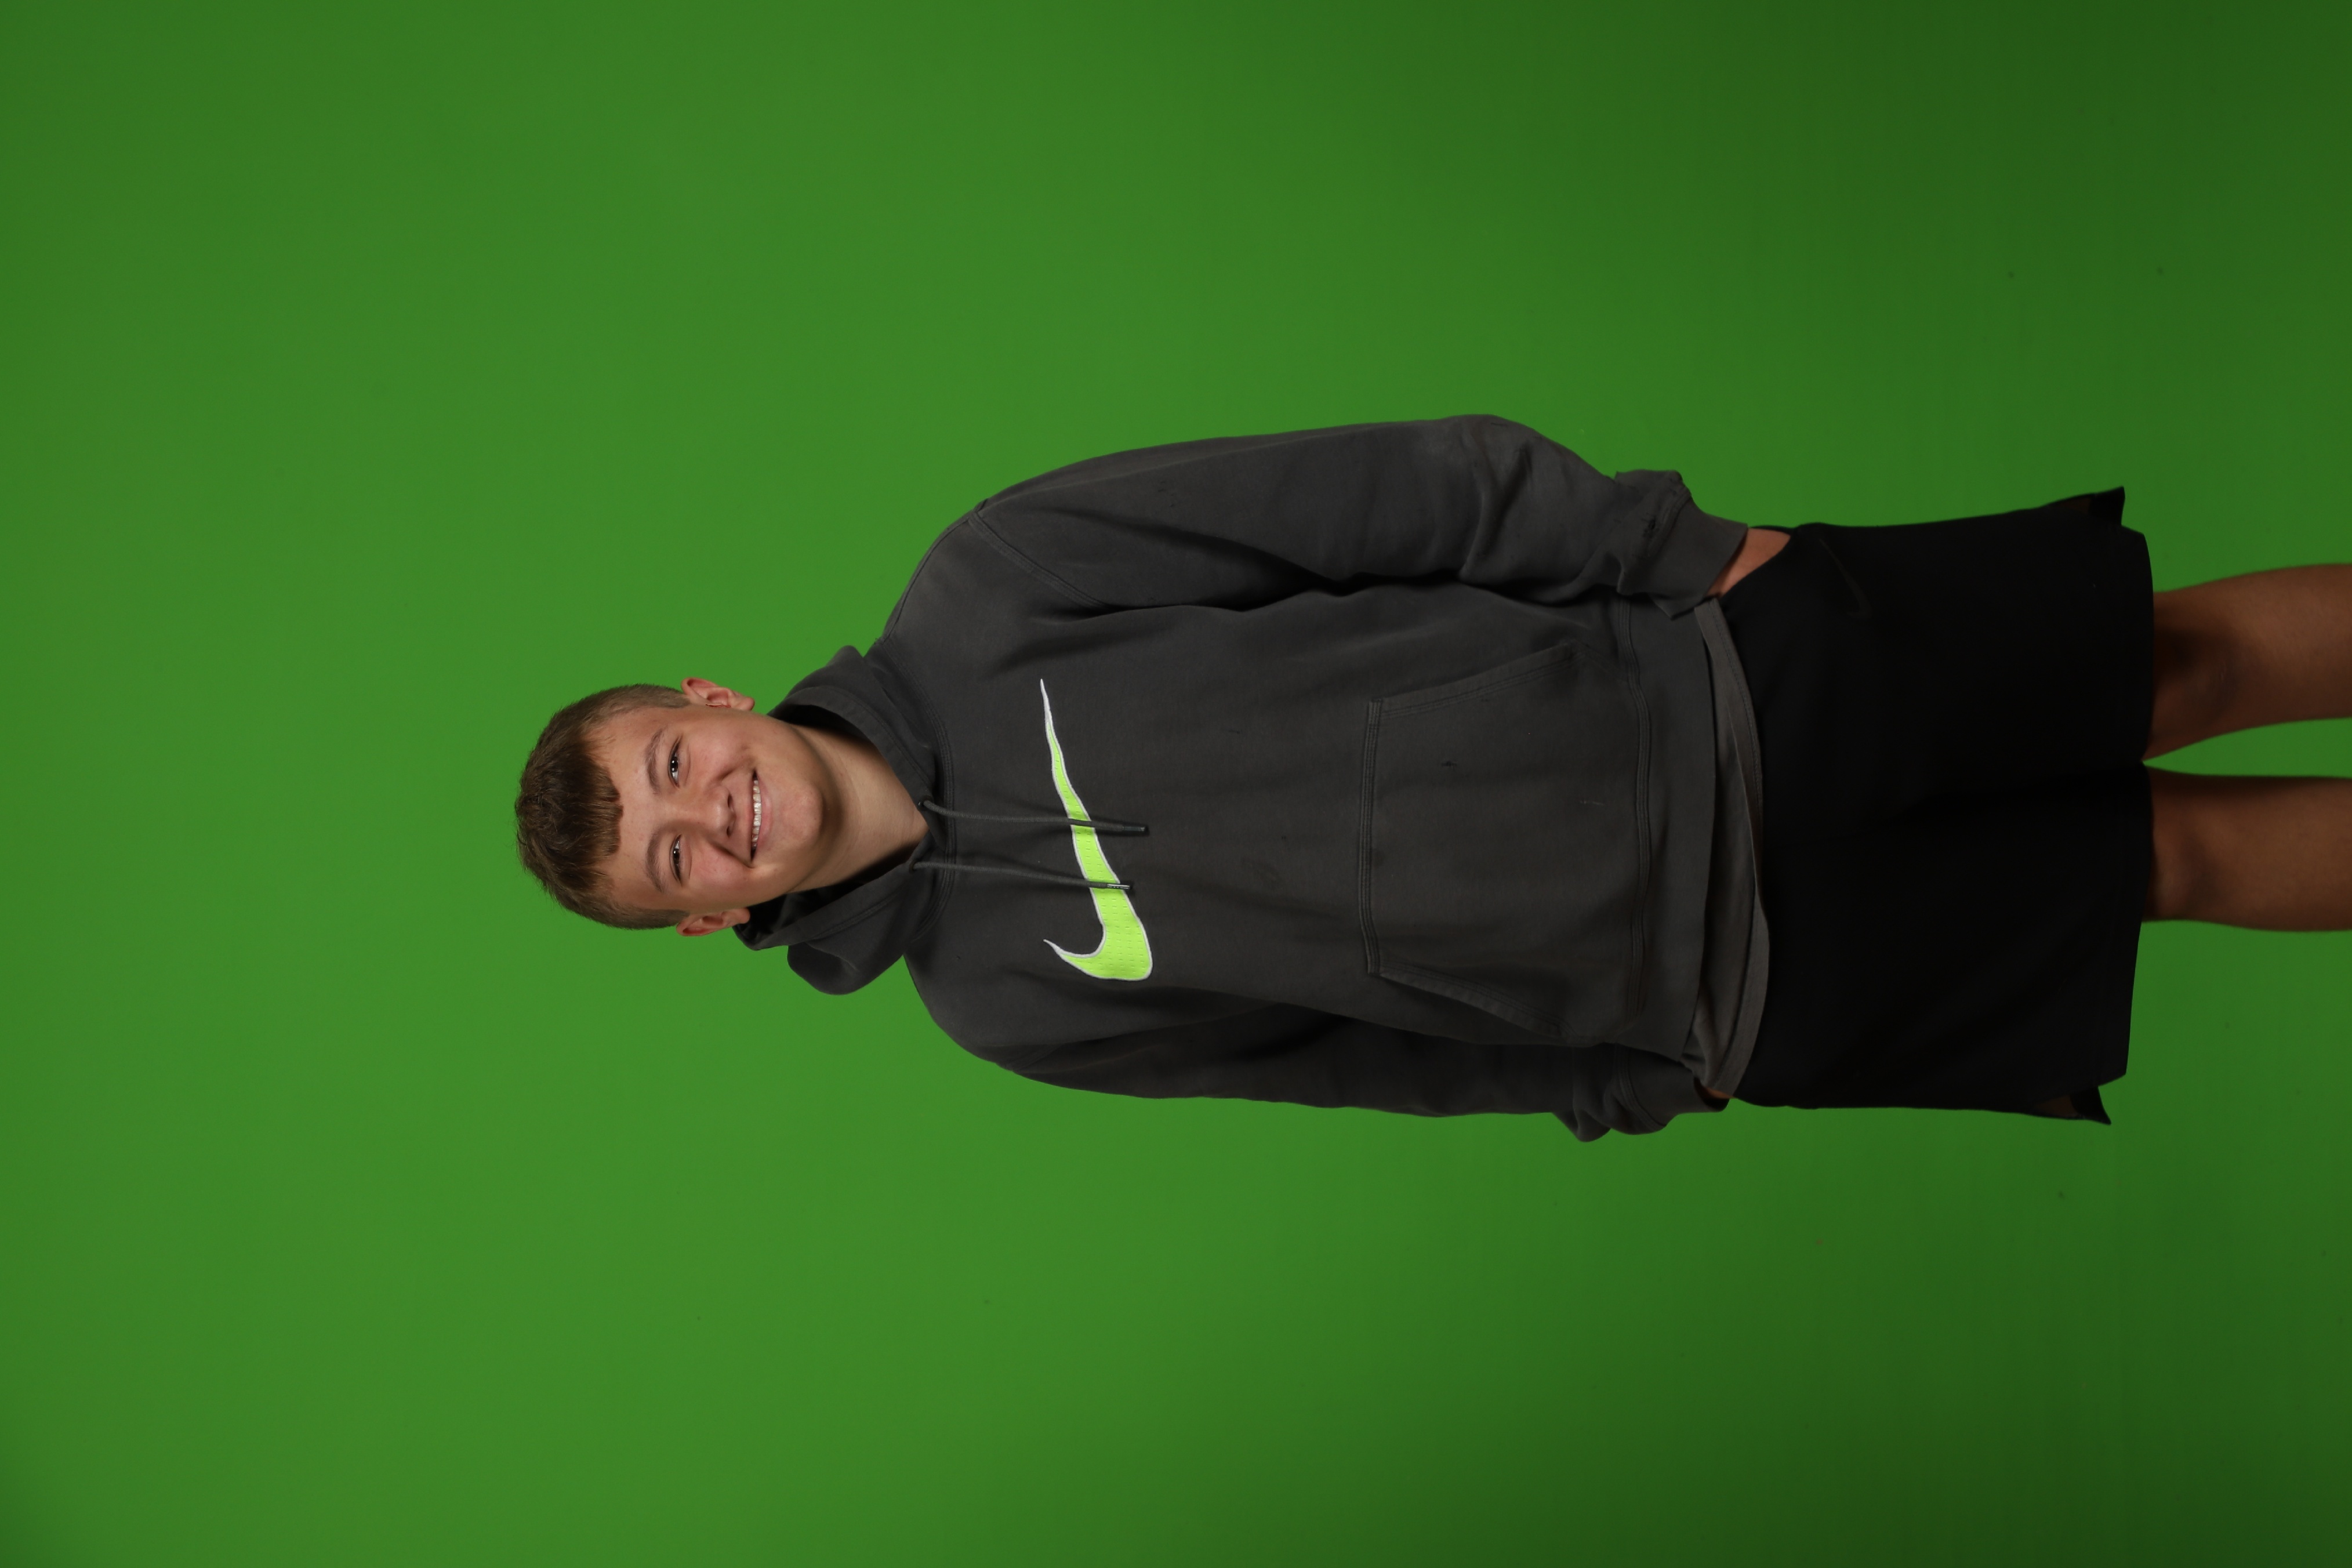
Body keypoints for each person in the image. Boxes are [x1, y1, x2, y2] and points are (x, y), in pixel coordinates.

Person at [514, 418, 2352, 1138]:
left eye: (676, 763)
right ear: (712, 917)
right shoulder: (1002, 1008)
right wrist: (1630, 1079)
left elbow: (1383, 497)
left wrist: (1683, 555)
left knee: (2173, 664)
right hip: (1727, 985)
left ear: (711, 697)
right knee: (2161, 872)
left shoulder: (994, 579)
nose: (709, 812)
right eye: (676, 856)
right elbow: (1352, 1066)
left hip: (1715, 686)